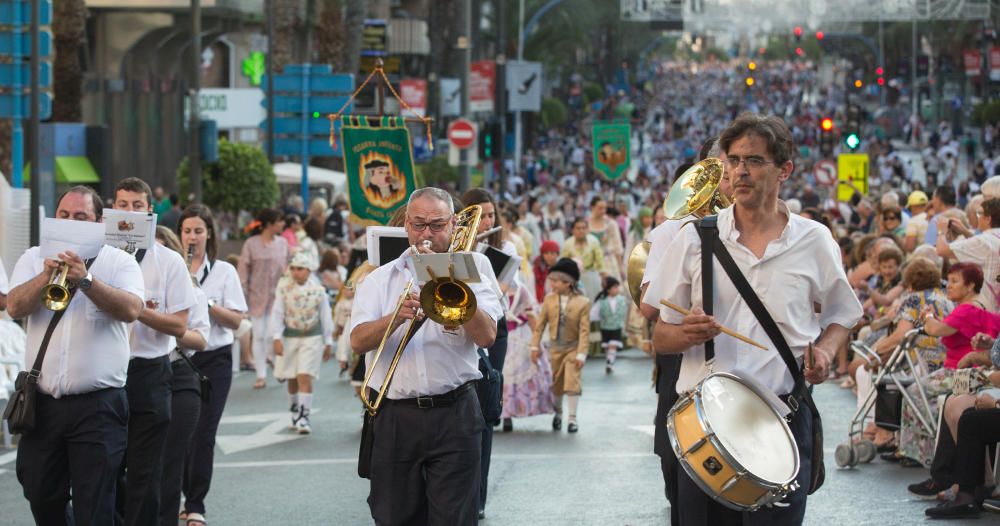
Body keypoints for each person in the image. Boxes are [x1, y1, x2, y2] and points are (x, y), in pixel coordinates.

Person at [648, 114, 863, 525]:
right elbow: (660, 335)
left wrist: (826, 351)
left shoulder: (813, 239)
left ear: (784, 170)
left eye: (754, 160)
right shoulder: (694, 238)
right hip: (705, 423)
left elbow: (843, 313)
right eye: (733, 160)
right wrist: (684, 334)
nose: (741, 170)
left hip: (782, 417)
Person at [349, 187, 503, 525]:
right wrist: (393, 319)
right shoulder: (379, 278)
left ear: (453, 226)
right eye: (419, 224)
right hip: (395, 416)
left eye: (437, 225)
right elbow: (357, 341)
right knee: (393, 516)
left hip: (456, 413)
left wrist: (453, 281)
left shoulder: (474, 266)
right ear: (406, 224)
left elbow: (487, 335)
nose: (427, 234)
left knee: (454, 518)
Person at [7, 185, 145, 525]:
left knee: (95, 501)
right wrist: (46, 274)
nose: (71, 221)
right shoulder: (33, 257)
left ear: (98, 222)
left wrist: (87, 280)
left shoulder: (119, 261)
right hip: (44, 404)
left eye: (80, 217)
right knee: (40, 491)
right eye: (64, 215)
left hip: (98, 406)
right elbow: (13, 306)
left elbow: (131, 310)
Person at [113, 177, 198, 526]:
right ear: (112, 209)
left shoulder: (169, 261)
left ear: (150, 211)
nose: (130, 212)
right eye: (123, 205)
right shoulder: (96, 256)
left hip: (149, 372)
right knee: (105, 468)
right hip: (106, 375)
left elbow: (180, 326)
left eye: (137, 206)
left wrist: (134, 308)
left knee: (145, 474)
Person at [176, 204, 248, 526]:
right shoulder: (171, 267)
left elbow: (236, 320)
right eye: (187, 231)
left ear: (209, 235)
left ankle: (196, 505)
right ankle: (181, 492)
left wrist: (206, 302)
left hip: (215, 358)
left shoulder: (223, 272)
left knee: (204, 433)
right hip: (179, 358)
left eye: (198, 231)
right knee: (179, 432)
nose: (192, 237)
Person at [152, 226, 210, 526]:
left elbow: (201, 340)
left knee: (170, 459)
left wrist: (168, 327)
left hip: (178, 374)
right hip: (137, 377)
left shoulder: (193, 292)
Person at [458, 187, 510, 520]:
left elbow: (504, 299)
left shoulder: (504, 248)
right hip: (461, 324)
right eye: (481, 215)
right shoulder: (457, 247)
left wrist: (493, 283)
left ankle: (478, 495)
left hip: (494, 326)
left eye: (491, 215)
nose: (488, 221)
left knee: (484, 409)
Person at [270, 250, 335, 434]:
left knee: (304, 375)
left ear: (308, 270)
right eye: (293, 268)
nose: (296, 272)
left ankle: (304, 417)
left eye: (300, 269)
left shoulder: (318, 291)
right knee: (291, 376)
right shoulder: (284, 289)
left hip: (311, 338)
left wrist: (328, 340)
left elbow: (325, 316)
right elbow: (277, 314)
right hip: (290, 337)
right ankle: (294, 411)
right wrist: (276, 337)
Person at [531, 257, 591, 433]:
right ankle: (558, 413)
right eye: (552, 280)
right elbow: (540, 325)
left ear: (568, 283)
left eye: (557, 281)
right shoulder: (549, 300)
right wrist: (534, 346)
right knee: (556, 384)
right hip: (555, 349)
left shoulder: (583, 302)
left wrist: (581, 353)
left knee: (572, 382)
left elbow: (584, 331)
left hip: (573, 348)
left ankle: (572, 419)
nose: (553, 284)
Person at [238, 208, 289, 388]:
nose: (282, 224)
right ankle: (261, 374)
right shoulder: (251, 244)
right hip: (256, 296)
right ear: (269, 224)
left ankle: (273, 360)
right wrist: (241, 297)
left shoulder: (283, 243)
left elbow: (288, 268)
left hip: (278, 297)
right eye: (279, 221)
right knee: (259, 335)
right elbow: (243, 271)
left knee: (272, 334)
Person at [499, 278, 549, 432]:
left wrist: (536, 342)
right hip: (507, 335)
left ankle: (505, 414)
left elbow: (532, 317)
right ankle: (504, 414)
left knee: (508, 376)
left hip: (514, 336)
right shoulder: (498, 286)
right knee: (505, 376)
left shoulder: (520, 289)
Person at [937, 197, 1000, 313]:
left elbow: (942, 250)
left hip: (988, 310)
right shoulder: (990, 239)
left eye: (979, 214)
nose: (977, 217)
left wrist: (941, 231)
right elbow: (985, 249)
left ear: (988, 219)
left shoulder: (984, 240)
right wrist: (965, 231)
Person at [561, 217, 605, 300]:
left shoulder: (594, 241)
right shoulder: (568, 244)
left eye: (584, 228)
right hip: (574, 278)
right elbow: (564, 263)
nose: (581, 230)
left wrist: (603, 277)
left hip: (591, 275)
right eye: (578, 228)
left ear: (588, 229)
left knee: (593, 300)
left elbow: (600, 262)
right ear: (573, 230)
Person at [591, 276, 628, 374]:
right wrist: (601, 319)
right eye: (614, 287)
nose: (617, 289)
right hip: (605, 328)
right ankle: (609, 360)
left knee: (613, 345)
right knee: (608, 346)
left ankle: (610, 362)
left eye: (617, 287)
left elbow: (624, 312)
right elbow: (594, 313)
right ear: (608, 290)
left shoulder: (621, 299)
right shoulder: (602, 301)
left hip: (616, 327)